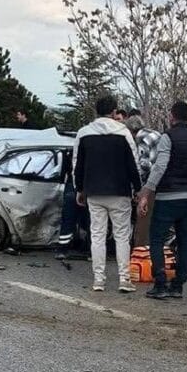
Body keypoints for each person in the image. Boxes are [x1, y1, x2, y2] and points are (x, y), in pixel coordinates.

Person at [74, 95, 142, 293]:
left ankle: (99, 280)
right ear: (114, 112)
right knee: (122, 236)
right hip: (119, 191)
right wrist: (137, 189)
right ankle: (124, 279)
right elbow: (133, 164)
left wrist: (79, 188)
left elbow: (78, 164)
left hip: (94, 191)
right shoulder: (124, 133)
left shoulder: (84, 133)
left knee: (97, 235)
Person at [138, 101, 187, 300]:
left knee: (157, 238)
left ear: (172, 116)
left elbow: (160, 166)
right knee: (185, 241)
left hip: (167, 196)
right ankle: (178, 286)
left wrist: (147, 191)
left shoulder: (168, 137)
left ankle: (160, 283)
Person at [126, 114, 162, 247]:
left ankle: (140, 254)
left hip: (150, 185)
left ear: (131, 130)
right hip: (163, 183)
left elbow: (144, 165)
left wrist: (138, 189)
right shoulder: (156, 134)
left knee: (143, 222)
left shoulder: (141, 138)